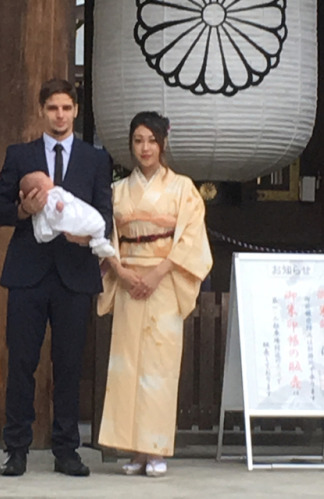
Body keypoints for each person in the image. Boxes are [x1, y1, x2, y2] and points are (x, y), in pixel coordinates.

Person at [0, 78, 113, 477]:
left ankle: (66, 450)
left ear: (76, 110)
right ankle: (17, 449)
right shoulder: (20, 155)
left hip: (75, 273)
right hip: (28, 272)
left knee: (69, 365)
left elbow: (105, 214)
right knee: (22, 362)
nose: (59, 115)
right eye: (52, 108)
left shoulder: (96, 159)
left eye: (66, 107)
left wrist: (90, 235)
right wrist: (23, 212)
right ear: (41, 111)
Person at [97, 111, 212, 476]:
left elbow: (190, 237)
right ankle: (134, 449)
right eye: (138, 141)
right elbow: (106, 237)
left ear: (163, 143)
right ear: (130, 145)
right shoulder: (117, 191)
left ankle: (156, 447)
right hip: (130, 277)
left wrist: (159, 271)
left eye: (151, 140)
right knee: (127, 365)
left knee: (160, 367)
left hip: (164, 281)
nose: (145, 148)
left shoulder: (183, 189)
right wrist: (120, 271)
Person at [20, 171, 115, 258]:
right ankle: (99, 242)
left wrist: (87, 239)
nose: (50, 178)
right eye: (46, 178)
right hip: (34, 257)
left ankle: (99, 242)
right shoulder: (52, 195)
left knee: (95, 222)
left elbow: (105, 209)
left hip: (78, 260)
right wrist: (25, 209)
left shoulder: (97, 157)